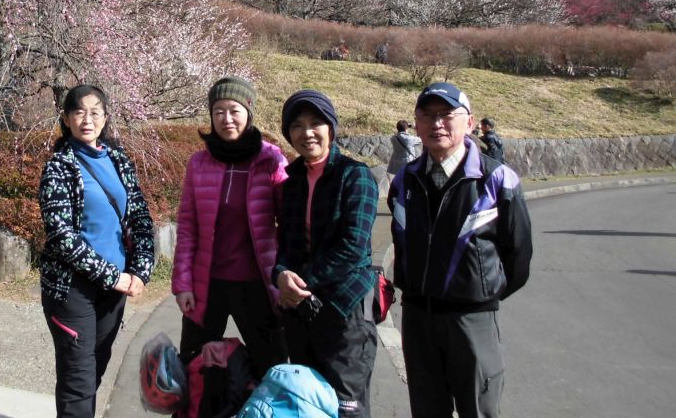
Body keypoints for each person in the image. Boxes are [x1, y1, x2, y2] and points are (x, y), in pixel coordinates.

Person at [389, 82, 532, 418]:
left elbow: (518, 256)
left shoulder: (497, 179)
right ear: (417, 124)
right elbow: (401, 243)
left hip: (472, 319)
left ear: (469, 123)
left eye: (446, 115)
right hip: (418, 318)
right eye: (427, 115)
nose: (437, 123)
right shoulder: (404, 180)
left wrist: (481, 292)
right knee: (426, 409)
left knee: (478, 409)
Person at [39, 85, 155, 418]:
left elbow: (140, 217)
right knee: (78, 379)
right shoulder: (59, 168)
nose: (87, 119)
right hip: (72, 291)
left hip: (114, 289)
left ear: (105, 117)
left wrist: (140, 271)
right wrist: (111, 275)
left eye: (95, 112)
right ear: (66, 119)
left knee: (95, 371)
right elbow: (62, 236)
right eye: (79, 112)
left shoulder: (118, 160)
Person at [172, 77, 288, 379]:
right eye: (218, 111)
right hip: (207, 284)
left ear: (249, 112)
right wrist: (182, 283)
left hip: (257, 286)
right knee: (194, 368)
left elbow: (289, 222)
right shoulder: (199, 162)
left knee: (271, 368)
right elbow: (187, 227)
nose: (226, 119)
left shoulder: (270, 159)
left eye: (234, 110)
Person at [273, 90, 379, 418]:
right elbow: (286, 243)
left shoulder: (355, 176)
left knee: (346, 405)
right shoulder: (290, 183)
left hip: (345, 310)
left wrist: (298, 282)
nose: (307, 133)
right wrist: (279, 275)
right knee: (307, 403)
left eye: (316, 123)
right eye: (297, 126)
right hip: (302, 313)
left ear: (330, 128)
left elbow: (352, 247)